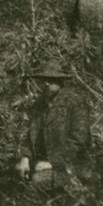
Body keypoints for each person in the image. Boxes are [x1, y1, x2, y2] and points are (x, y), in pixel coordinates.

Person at [16, 58, 92, 192]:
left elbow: (78, 142)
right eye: (43, 80)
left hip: (71, 166)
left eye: (51, 80)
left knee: (35, 183)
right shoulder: (40, 104)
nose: (46, 84)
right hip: (42, 162)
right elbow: (31, 135)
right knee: (13, 174)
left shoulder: (75, 103)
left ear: (60, 82)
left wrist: (52, 163)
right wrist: (25, 158)